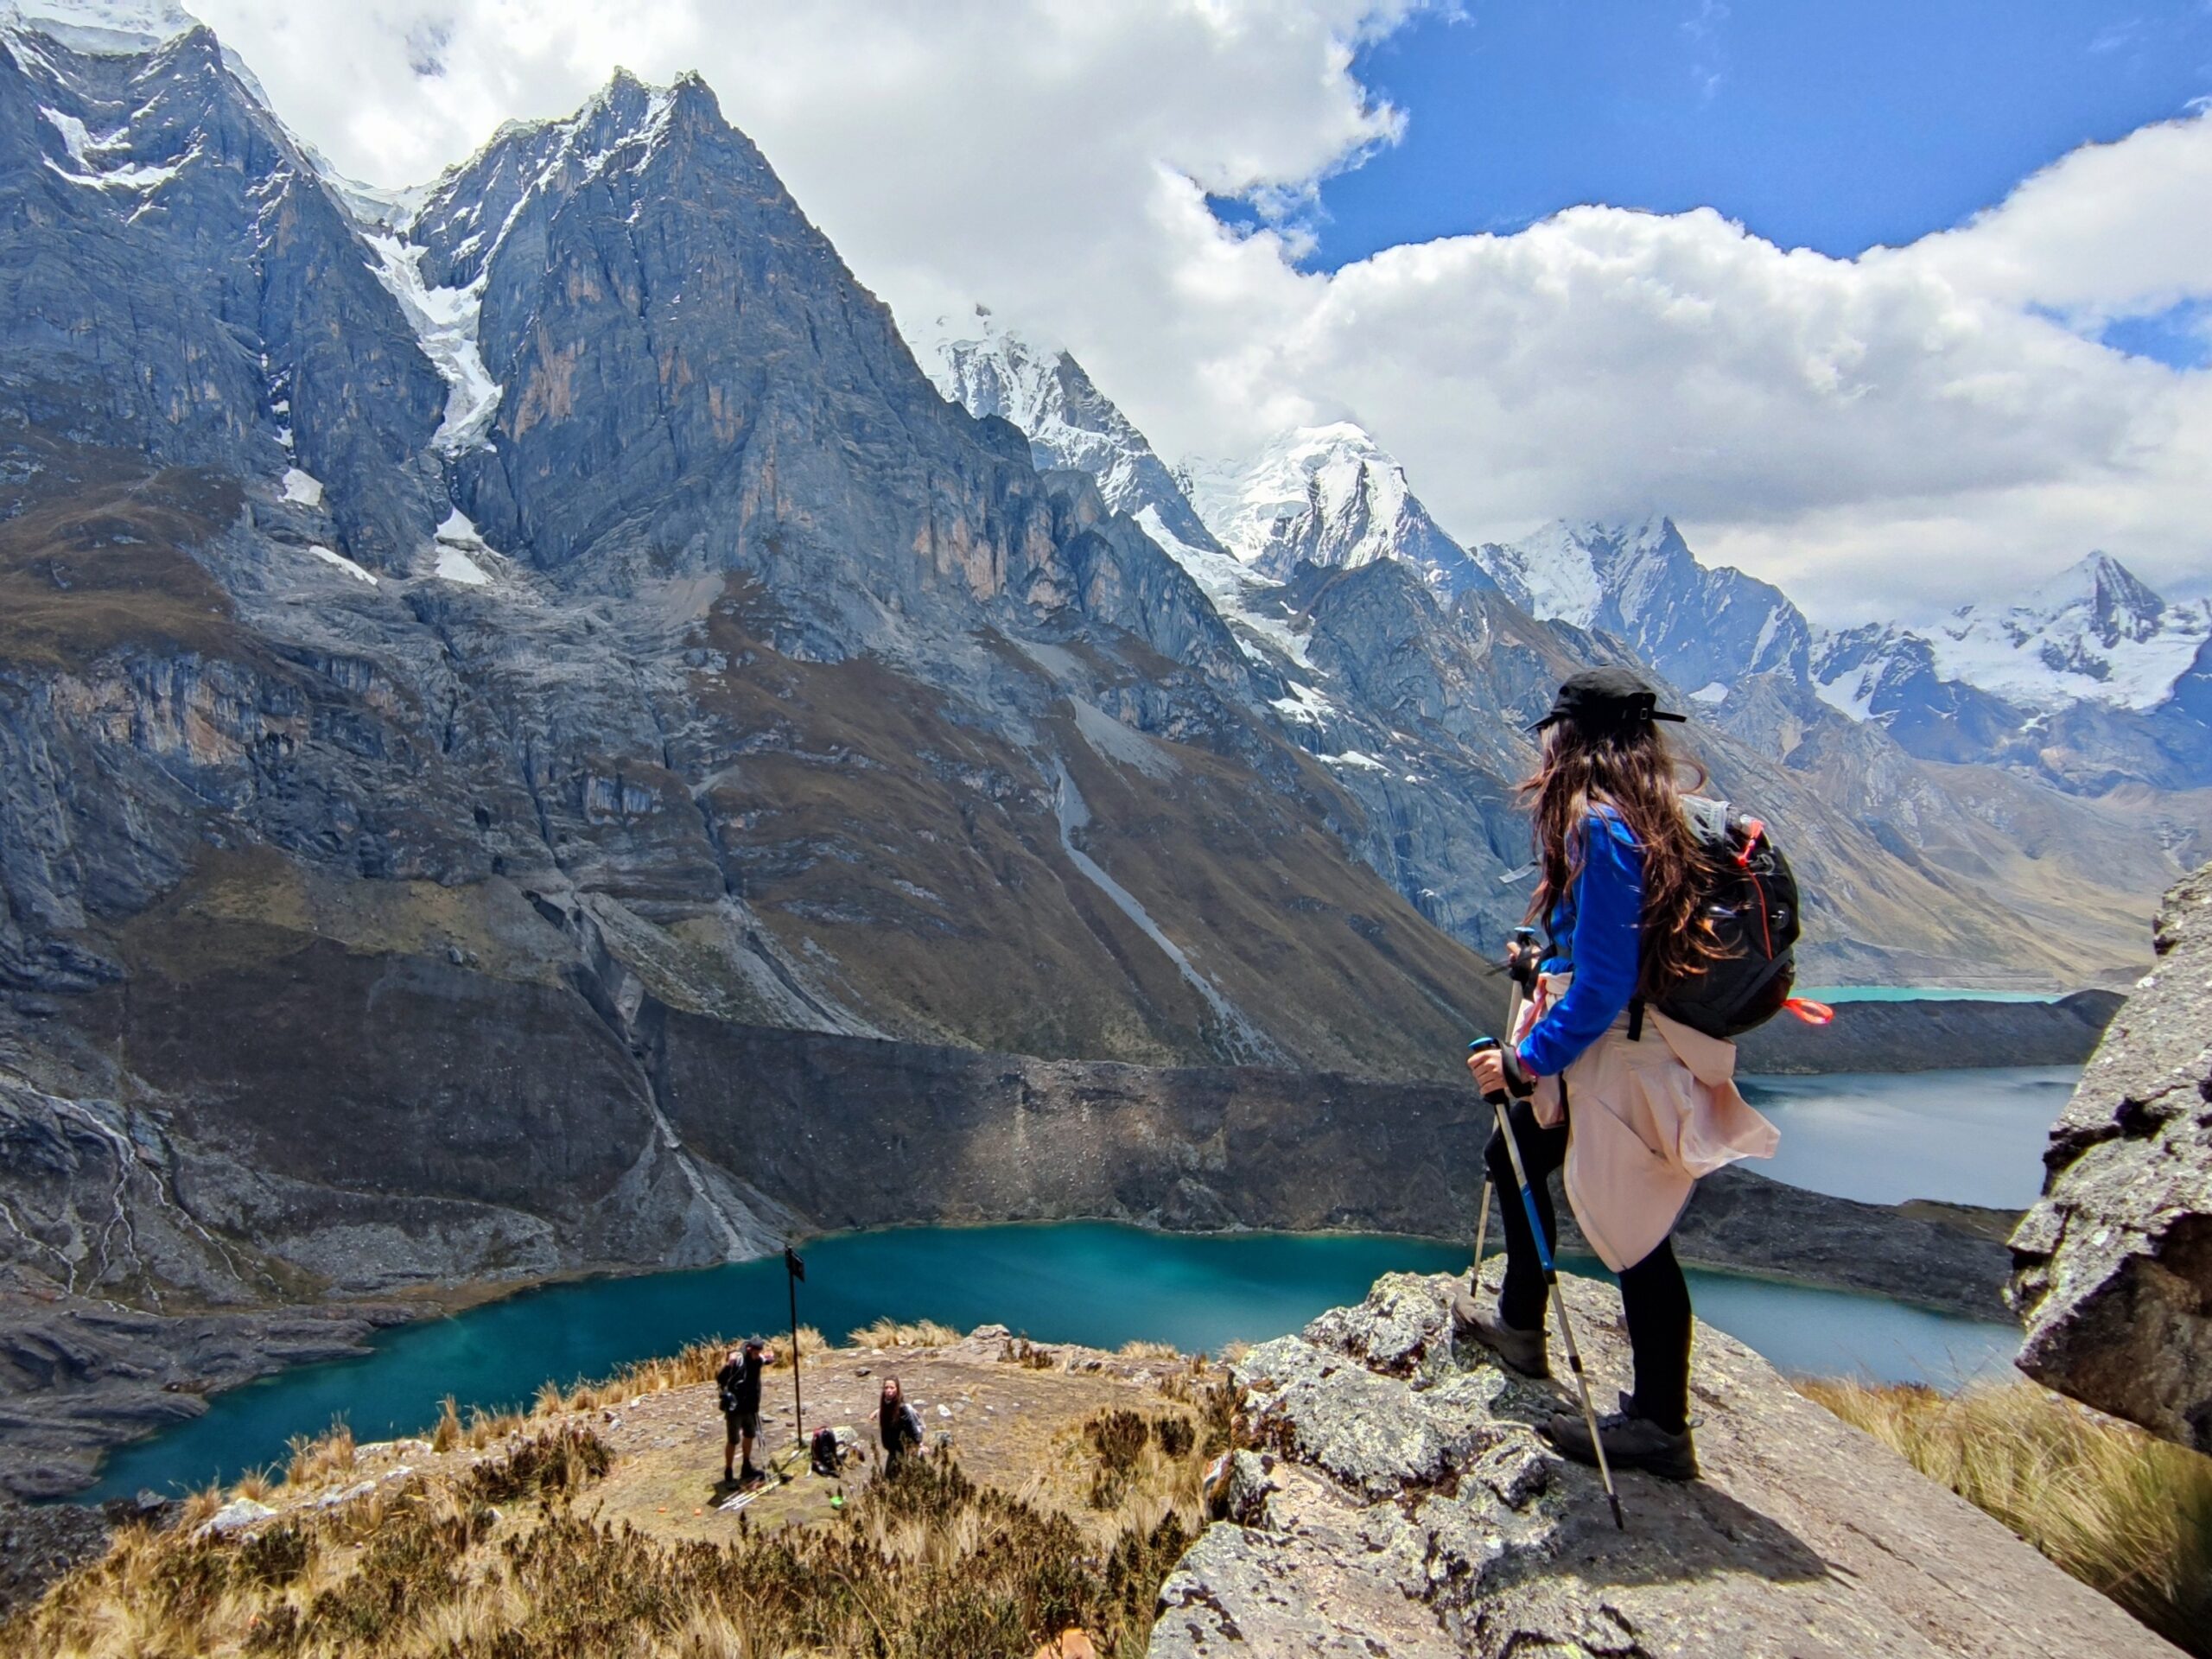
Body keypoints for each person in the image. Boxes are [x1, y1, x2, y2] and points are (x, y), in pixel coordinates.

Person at [1461, 667, 1778, 1482]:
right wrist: (1542, 961)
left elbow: (1604, 982)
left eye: (1552, 731)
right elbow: (1605, 948)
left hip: (1619, 1055)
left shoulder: (1598, 826)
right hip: (1622, 1042)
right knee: (1515, 1155)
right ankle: (1520, 1326)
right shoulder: (1646, 813)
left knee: (1635, 1235)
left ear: (1572, 739)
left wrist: (1525, 1060)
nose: (1544, 744)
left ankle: (1661, 1425)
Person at [717, 1338, 777, 1486]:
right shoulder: (738, 1360)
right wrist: (729, 1364)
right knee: (733, 1440)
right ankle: (729, 1472)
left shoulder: (758, 1359)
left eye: (759, 1353)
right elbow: (720, 1377)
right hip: (735, 1408)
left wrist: (771, 1358)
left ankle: (746, 1466)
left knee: (749, 1435)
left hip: (750, 1407)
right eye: (755, 1353)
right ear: (750, 1350)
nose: (757, 1356)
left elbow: (767, 1360)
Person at [878, 1376, 924, 1473]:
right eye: (886, 1388)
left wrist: (918, 1443)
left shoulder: (902, 1408)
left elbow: (911, 1426)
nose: (889, 1390)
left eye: (892, 1387)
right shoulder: (886, 1405)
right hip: (892, 1450)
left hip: (902, 1450)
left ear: (897, 1389)